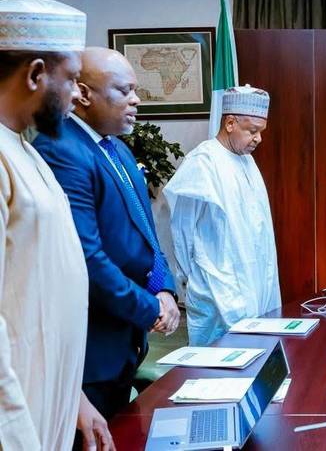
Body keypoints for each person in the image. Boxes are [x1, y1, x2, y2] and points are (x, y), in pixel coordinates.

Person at [33, 47, 179, 423]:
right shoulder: (62, 150)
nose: (136, 100)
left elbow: (146, 233)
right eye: (124, 90)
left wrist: (164, 289)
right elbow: (87, 259)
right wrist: (149, 308)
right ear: (83, 94)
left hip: (124, 343)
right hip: (92, 352)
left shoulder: (117, 148)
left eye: (136, 90)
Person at [0, 0, 113, 451]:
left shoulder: (25, 150)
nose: (75, 95)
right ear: (35, 74)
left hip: (49, 401)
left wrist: (75, 398)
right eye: (70, 79)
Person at [163, 85, 281, 346]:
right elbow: (182, 231)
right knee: (216, 361)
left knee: (255, 355)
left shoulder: (247, 160)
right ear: (230, 123)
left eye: (261, 132)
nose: (258, 139)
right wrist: (193, 279)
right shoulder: (203, 162)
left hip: (253, 283)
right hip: (215, 289)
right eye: (252, 131)